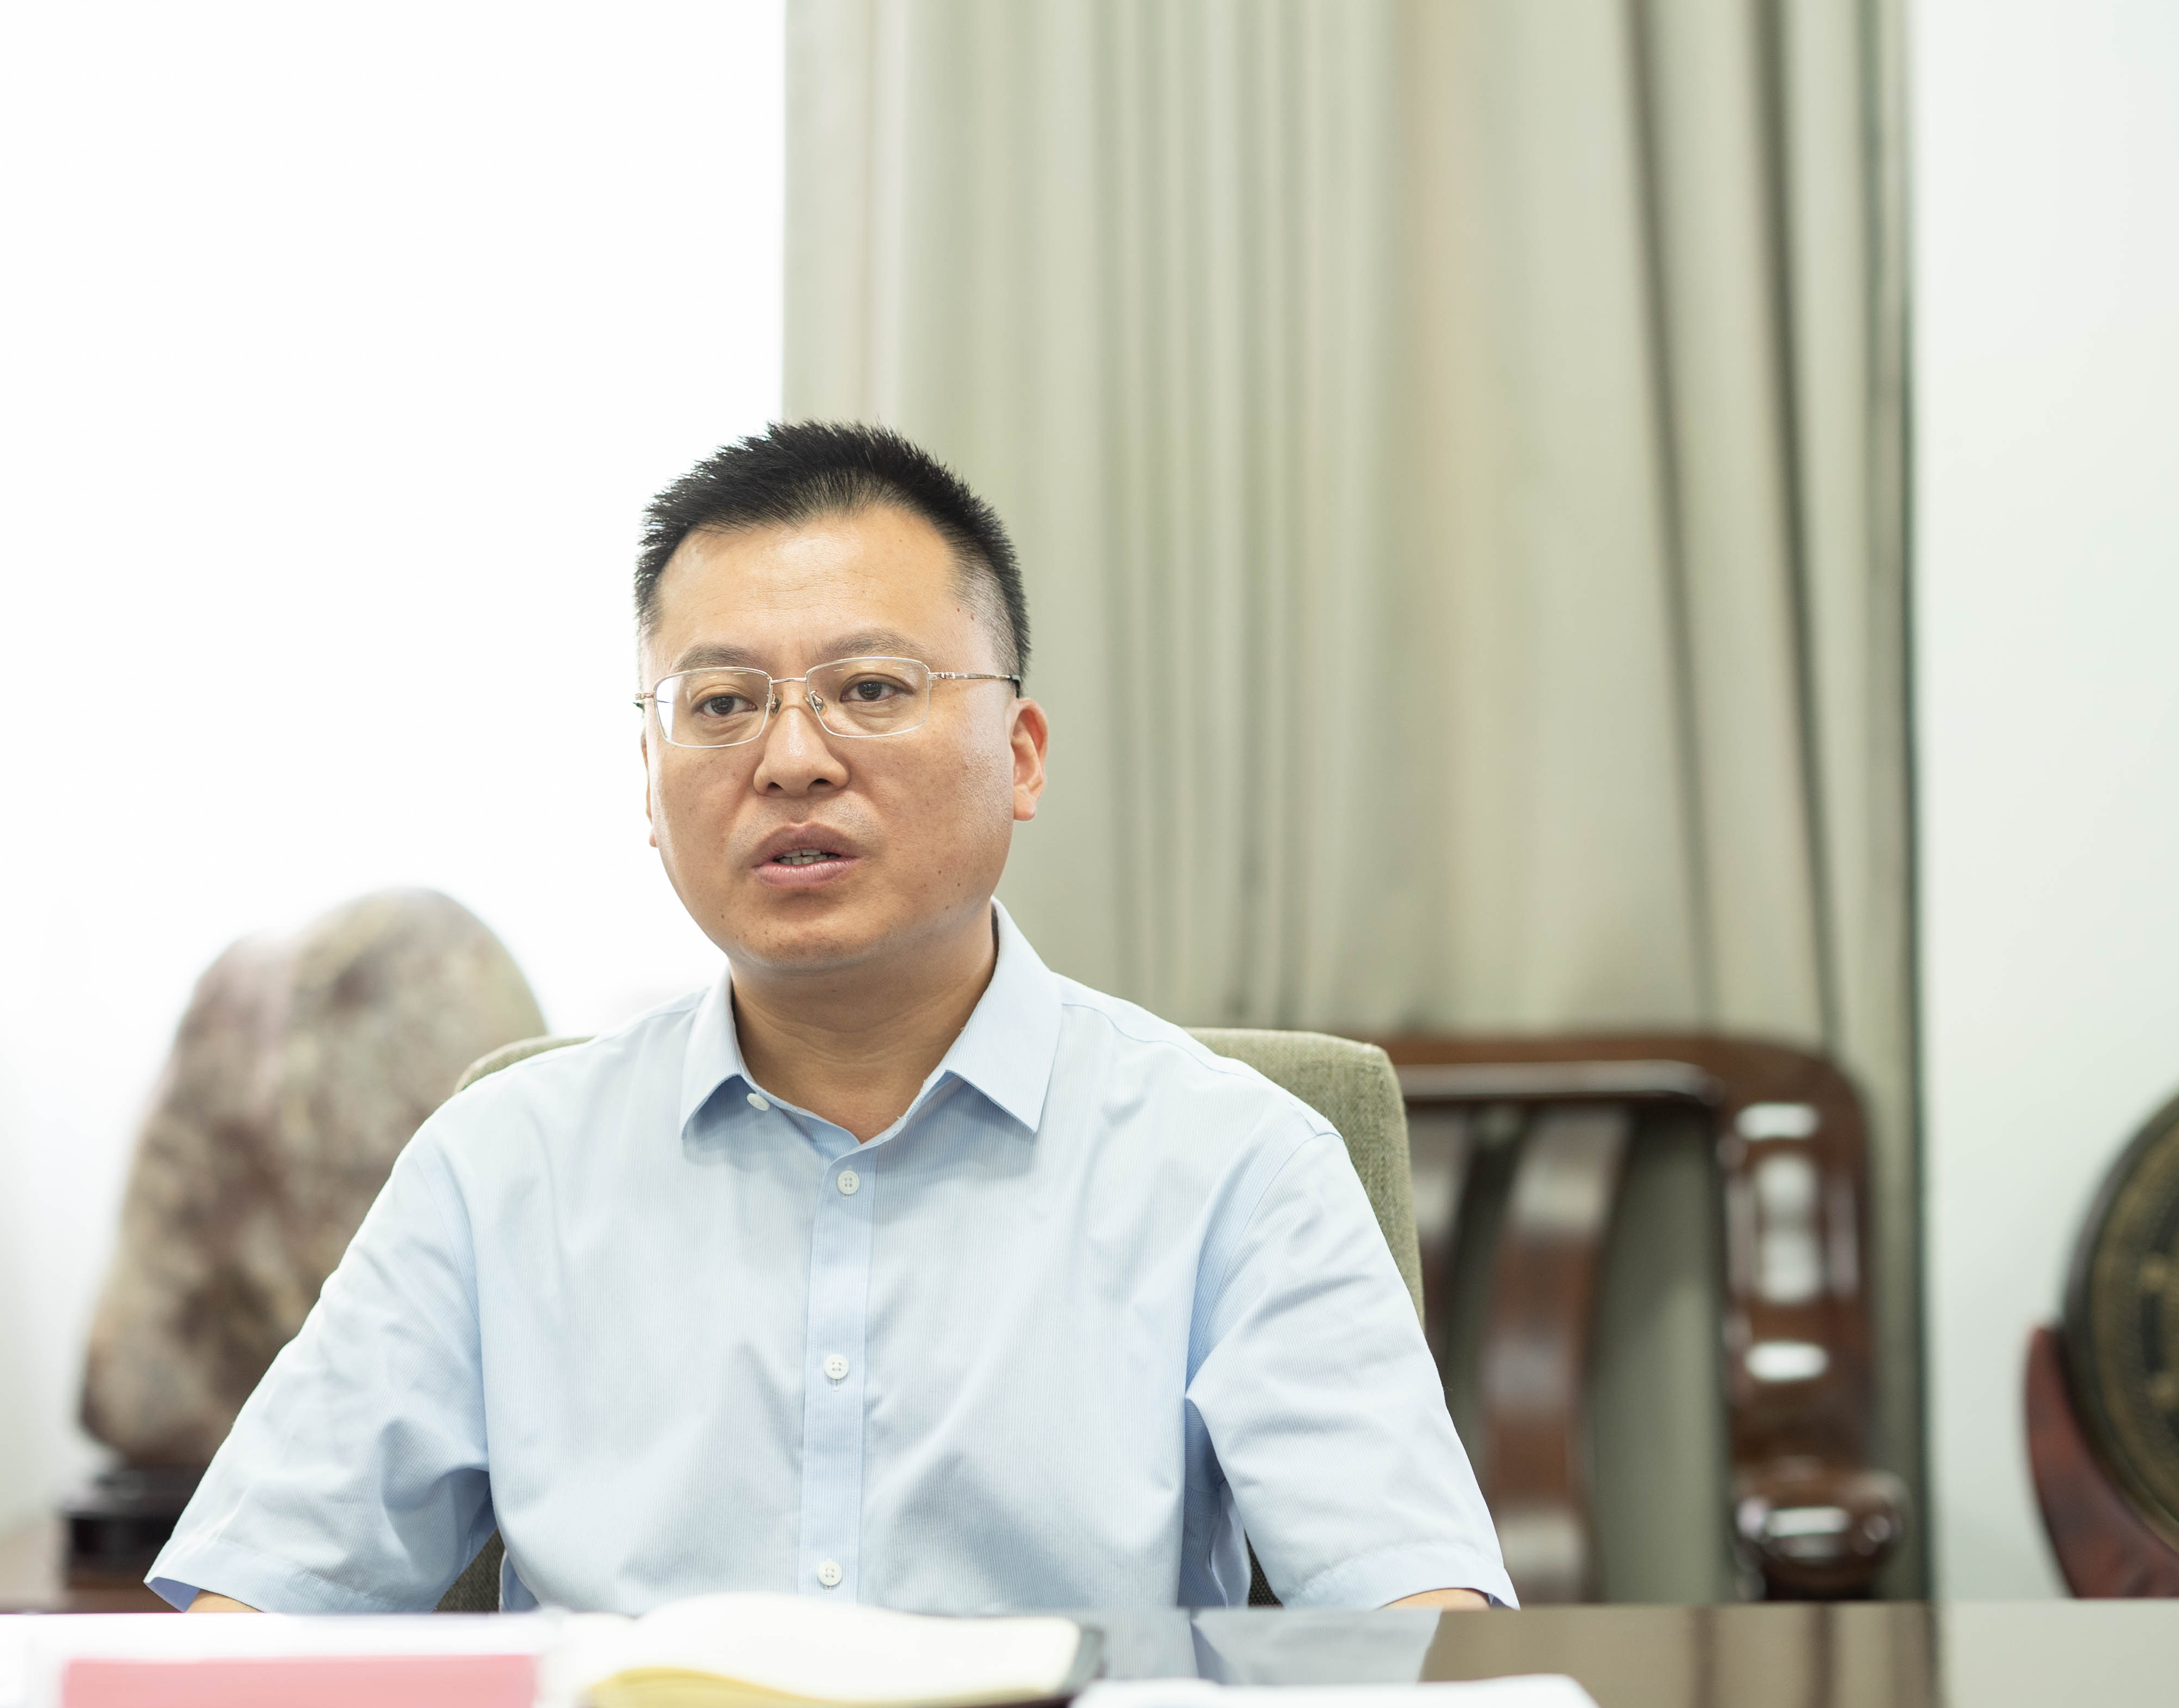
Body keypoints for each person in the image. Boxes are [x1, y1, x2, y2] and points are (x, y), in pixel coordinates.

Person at [154, 423, 1512, 1615]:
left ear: (1020, 756)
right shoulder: (500, 1165)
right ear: (649, 782)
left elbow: (1416, 1620)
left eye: (870, 689)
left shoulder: (1237, 1165)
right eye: (721, 704)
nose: (792, 758)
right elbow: (262, 1608)